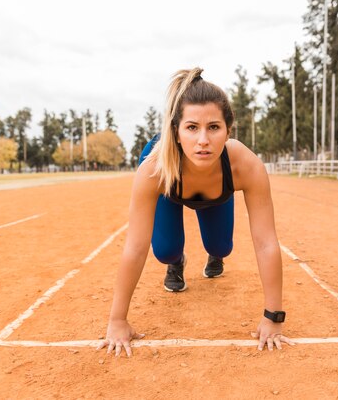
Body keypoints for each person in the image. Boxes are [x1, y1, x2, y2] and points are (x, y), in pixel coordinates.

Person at [98, 68, 292, 357]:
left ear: (228, 130)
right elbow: (135, 247)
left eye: (214, 127)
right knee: (164, 250)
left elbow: (265, 242)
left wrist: (273, 316)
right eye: (191, 127)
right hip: (171, 185)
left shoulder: (245, 165)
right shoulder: (154, 168)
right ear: (175, 132)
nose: (203, 140)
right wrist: (117, 320)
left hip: (215, 189)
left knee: (221, 247)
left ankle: (215, 254)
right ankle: (176, 263)